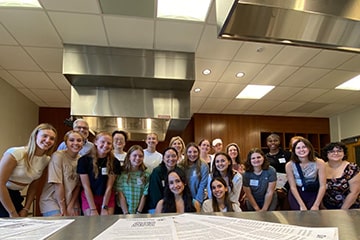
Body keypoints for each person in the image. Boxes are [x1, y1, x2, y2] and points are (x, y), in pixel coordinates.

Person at [0, 123, 57, 217]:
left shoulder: (46, 160)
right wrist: (12, 212)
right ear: (35, 136)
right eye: (45, 136)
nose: (48, 140)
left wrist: (26, 208)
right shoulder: (16, 153)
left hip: (15, 195)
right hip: (2, 193)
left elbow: (33, 186)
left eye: (52, 138)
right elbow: (0, 184)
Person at [40, 130, 84, 216]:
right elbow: (57, 184)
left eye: (79, 140)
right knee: (60, 225)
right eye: (71, 140)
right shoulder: (58, 156)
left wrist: (71, 205)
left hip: (70, 202)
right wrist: (63, 207)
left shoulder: (81, 160)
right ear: (66, 142)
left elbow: (78, 186)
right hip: (52, 201)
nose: (75, 143)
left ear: (83, 143)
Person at [77, 132, 121, 216]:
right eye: (103, 142)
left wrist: (104, 207)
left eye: (109, 143)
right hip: (89, 196)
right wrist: (93, 208)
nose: (105, 145)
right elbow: (86, 186)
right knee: (92, 223)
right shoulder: (84, 161)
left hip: (106, 196)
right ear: (96, 142)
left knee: (106, 221)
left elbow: (109, 186)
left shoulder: (115, 162)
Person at [285, 138, 326, 210]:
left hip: (313, 192)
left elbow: (323, 185)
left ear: (309, 148)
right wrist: (302, 205)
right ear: (294, 150)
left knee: (313, 216)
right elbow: (293, 187)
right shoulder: (289, 165)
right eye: (298, 148)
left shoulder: (320, 162)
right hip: (297, 193)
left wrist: (316, 204)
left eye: (304, 147)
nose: (301, 150)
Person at [321, 142, 360, 209]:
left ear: (344, 153)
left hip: (349, 208)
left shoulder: (352, 168)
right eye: (332, 151)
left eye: (339, 151)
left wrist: (342, 211)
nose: (336, 153)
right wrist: (322, 207)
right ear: (326, 154)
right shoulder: (320, 167)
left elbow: (355, 192)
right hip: (326, 209)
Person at [114, 145, 149, 214]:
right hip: (123, 210)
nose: (137, 158)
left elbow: (144, 194)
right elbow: (120, 194)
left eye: (140, 156)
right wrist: (126, 213)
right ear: (129, 157)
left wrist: (139, 211)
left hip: (140, 210)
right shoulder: (121, 174)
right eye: (135, 155)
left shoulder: (145, 175)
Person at [146, 147, 181, 213]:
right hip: (157, 206)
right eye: (168, 156)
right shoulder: (157, 172)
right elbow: (155, 194)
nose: (171, 159)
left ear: (177, 158)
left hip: (174, 205)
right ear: (163, 159)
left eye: (173, 156)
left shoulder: (180, 172)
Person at [179, 142, 209, 211]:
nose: (192, 154)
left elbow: (202, 185)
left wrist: (197, 202)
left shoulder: (204, 166)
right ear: (186, 153)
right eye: (189, 152)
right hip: (183, 200)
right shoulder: (180, 166)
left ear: (198, 152)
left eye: (195, 152)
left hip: (198, 199)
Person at [265, 133, 291, 210]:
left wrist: (284, 188)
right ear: (267, 143)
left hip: (287, 185)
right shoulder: (265, 157)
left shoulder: (287, 155)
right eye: (270, 141)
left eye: (275, 140)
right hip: (272, 186)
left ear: (279, 142)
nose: (273, 143)